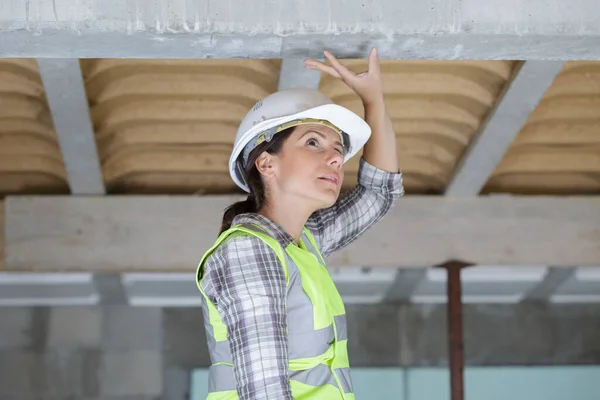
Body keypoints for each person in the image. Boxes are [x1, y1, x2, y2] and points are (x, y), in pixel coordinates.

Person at [195, 49, 404, 400]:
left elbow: (379, 193)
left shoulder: (303, 242)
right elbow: (265, 393)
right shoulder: (250, 251)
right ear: (266, 164)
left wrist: (373, 100)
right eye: (312, 142)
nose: (337, 157)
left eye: (338, 149)